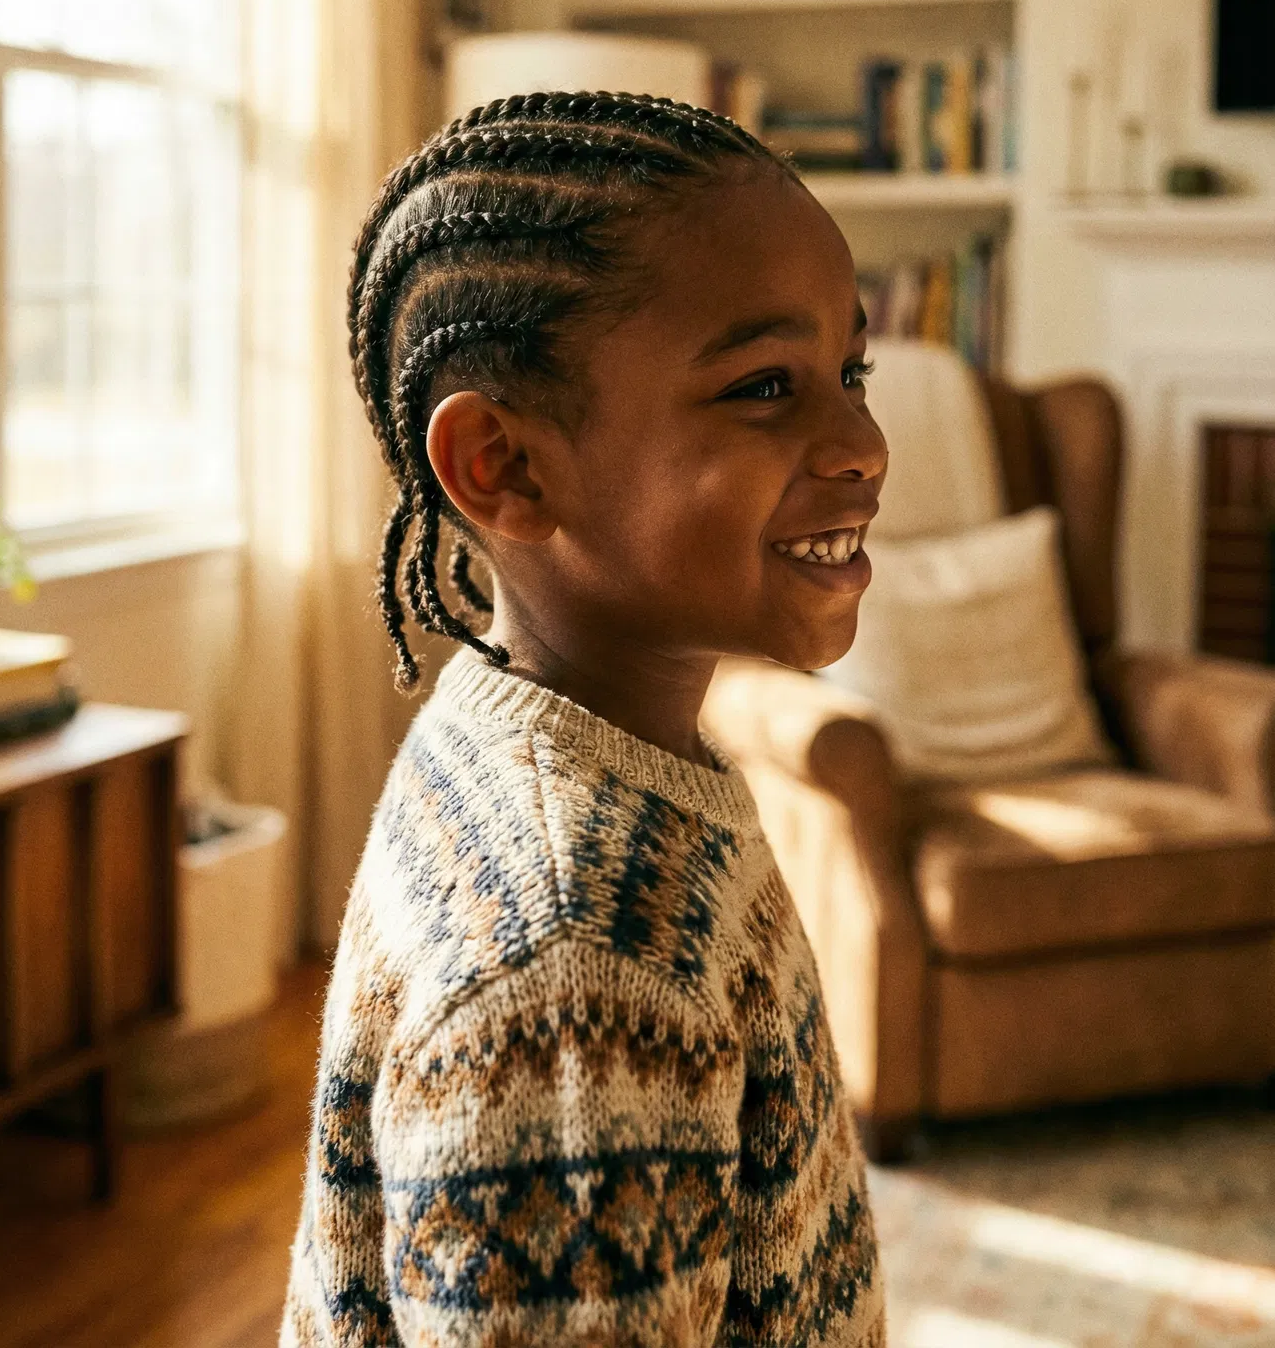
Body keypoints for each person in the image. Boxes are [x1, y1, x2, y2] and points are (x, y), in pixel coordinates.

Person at [281, 89, 889, 1347]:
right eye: (766, 385)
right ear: (502, 467)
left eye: (849, 370)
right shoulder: (574, 990)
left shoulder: (564, 733)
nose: (863, 440)